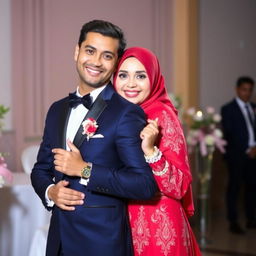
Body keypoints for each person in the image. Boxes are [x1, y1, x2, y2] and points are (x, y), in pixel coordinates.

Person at [31, 20, 157, 256]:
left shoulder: (126, 113)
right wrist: (50, 192)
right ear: (77, 51)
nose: (96, 62)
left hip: (102, 243)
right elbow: (40, 169)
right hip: (58, 242)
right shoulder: (56, 110)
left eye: (107, 56)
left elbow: (144, 185)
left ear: (115, 62)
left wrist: (85, 170)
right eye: (90, 51)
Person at [113, 47, 201, 255]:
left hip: (160, 225)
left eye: (141, 76)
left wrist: (151, 151)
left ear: (153, 79)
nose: (131, 83)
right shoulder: (117, 116)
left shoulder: (162, 115)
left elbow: (179, 186)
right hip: (126, 223)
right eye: (123, 75)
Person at [221, 76, 256, 234]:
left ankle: (251, 219)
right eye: (244, 89)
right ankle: (233, 221)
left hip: (254, 156)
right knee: (234, 188)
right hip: (237, 155)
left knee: (252, 188)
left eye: (250, 90)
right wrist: (248, 149)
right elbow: (230, 133)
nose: (247, 93)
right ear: (237, 89)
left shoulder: (254, 107)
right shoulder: (228, 109)